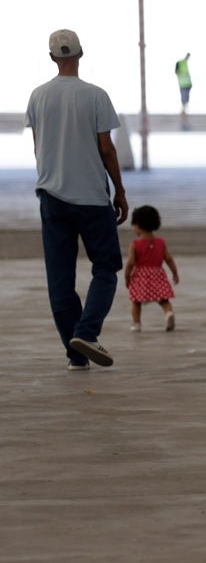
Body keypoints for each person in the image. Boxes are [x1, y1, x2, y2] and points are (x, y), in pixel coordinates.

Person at [25, 29, 129, 370]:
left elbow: (39, 146)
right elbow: (106, 148)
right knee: (106, 268)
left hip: (52, 197)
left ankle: (75, 355)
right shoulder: (96, 96)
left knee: (60, 281)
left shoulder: (37, 96)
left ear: (52, 58)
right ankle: (86, 332)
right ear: (80, 55)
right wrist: (120, 190)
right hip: (92, 199)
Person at [123, 205, 180, 332]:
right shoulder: (160, 242)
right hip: (158, 274)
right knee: (163, 299)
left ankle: (137, 324)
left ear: (137, 225)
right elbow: (169, 259)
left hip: (140, 277)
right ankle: (169, 313)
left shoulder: (135, 244)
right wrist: (175, 273)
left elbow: (130, 263)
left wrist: (127, 277)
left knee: (136, 301)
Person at [174, 52, 192, 130]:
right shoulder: (180, 63)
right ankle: (183, 123)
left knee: (185, 105)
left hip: (187, 86)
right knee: (184, 105)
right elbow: (177, 72)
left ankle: (185, 122)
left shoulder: (184, 64)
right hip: (183, 86)